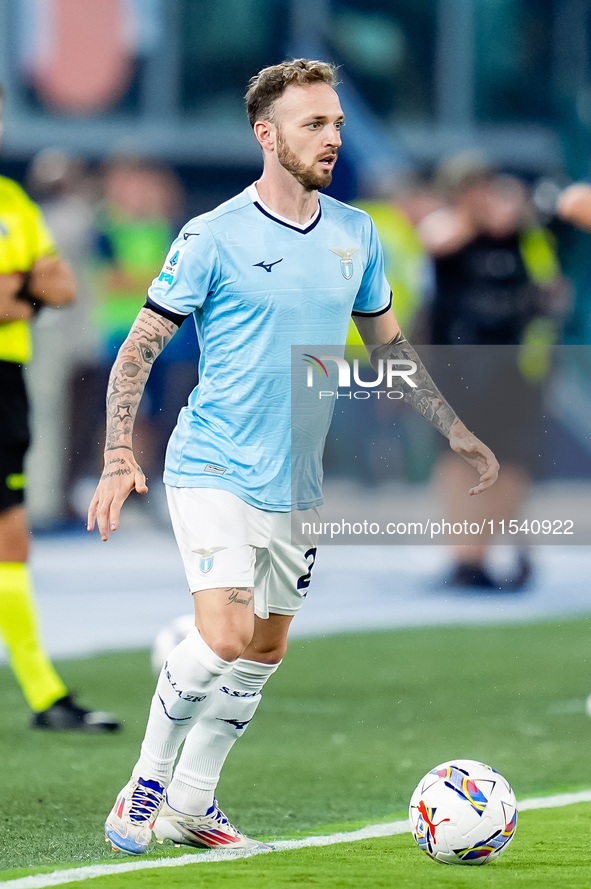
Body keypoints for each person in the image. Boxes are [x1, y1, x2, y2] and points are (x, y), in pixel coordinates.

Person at [87, 59, 498, 855]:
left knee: (265, 648)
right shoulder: (211, 235)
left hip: (295, 486)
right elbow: (138, 346)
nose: (332, 137)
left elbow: (388, 344)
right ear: (265, 135)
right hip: (212, 466)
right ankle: (145, 784)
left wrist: (449, 426)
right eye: (314, 123)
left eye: (337, 123)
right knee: (227, 631)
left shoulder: (356, 234)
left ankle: (193, 804)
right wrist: (114, 454)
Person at [0, 85, 120, 732]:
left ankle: (43, 693)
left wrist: (20, 289)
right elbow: (20, 295)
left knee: (11, 539)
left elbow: (62, 286)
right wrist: (26, 286)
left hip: (5, 381)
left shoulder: (13, 201)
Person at [419, 153, 567, 590]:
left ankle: (485, 551)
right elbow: (438, 239)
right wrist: (481, 214)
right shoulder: (450, 225)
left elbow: (552, 289)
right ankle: (469, 559)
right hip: (457, 369)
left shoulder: (520, 235)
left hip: (512, 368)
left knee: (515, 461)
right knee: (457, 459)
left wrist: (518, 216)